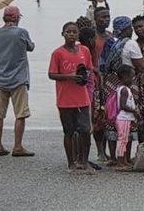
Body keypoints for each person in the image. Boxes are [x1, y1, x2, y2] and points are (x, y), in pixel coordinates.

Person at [47, 22, 94, 174]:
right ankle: (71, 163)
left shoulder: (85, 50)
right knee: (69, 131)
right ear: (63, 34)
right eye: (68, 32)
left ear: (78, 34)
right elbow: (51, 74)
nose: (72, 35)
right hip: (65, 98)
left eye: (74, 32)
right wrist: (69, 76)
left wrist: (83, 78)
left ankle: (84, 162)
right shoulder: (58, 53)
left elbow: (88, 69)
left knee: (85, 130)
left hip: (82, 97)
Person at [0, 6, 35, 157]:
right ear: (16, 18)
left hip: (0, 78)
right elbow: (31, 47)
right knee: (20, 114)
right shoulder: (21, 33)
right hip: (19, 79)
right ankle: (17, 146)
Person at [100, 16, 144, 165]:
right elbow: (140, 66)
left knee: (112, 119)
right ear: (127, 29)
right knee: (128, 121)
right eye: (130, 27)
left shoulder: (114, 43)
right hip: (127, 81)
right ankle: (124, 157)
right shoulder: (131, 43)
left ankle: (113, 156)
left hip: (111, 83)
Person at [91, 7, 111, 160]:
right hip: (95, 81)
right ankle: (100, 150)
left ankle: (107, 149)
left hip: (108, 81)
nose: (106, 20)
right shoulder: (91, 37)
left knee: (108, 115)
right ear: (95, 19)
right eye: (102, 17)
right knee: (97, 116)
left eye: (108, 17)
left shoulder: (111, 37)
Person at [113, 64, 141, 171]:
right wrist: (134, 110)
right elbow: (122, 105)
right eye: (131, 77)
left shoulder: (122, 88)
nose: (133, 79)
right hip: (123, 118)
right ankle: (120, 162)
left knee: (124, 139)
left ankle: (123, 160)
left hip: (125, 118)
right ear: (125, 77)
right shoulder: (124, 90)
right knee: (122, 140)